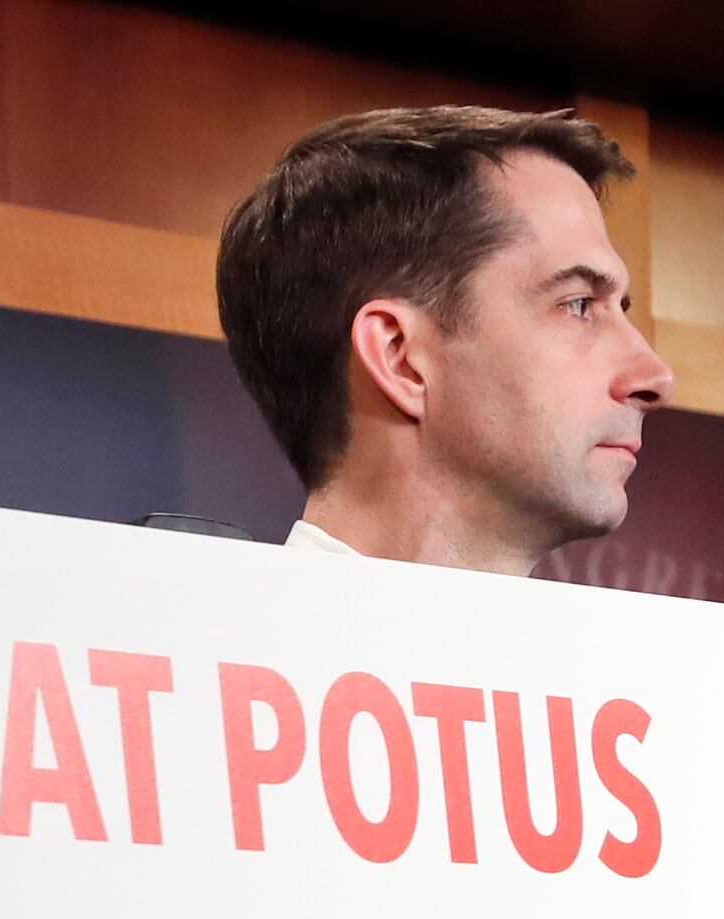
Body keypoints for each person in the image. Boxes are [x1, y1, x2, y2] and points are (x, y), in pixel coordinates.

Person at [215, 106, 672, 573]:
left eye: (621, 308)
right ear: (400, 358)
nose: (656, 378)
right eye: (578, 305)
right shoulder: (196, 639)